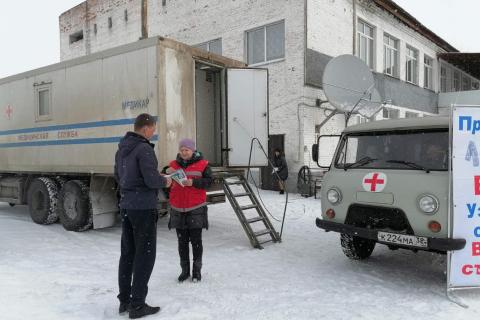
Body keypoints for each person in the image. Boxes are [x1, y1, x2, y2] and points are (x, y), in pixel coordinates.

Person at [114, 113, 172, 319]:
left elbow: (118, 176)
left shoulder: (122, 149)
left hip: (127, 206)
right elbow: (151, 180)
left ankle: (125, 301)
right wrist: (165, 181)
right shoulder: (144, 149)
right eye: (153, 129)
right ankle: (138, 305)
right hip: (143, 208)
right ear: (146, 128)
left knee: (128, 253)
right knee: (145, 255)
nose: (153, 133)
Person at [167, 138, 212, 282]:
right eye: (182, 150)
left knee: (196, 241)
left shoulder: (203, 165)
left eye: (187, 150)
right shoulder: (172, 165)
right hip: (177, 208)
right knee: (182, 243)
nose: (184, 152)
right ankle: (184, 271)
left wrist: (193, 182)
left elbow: (209, 182)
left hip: (195, 208)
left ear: (193, 151)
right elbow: (163, 181)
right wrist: (166, 173)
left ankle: (196, 271)